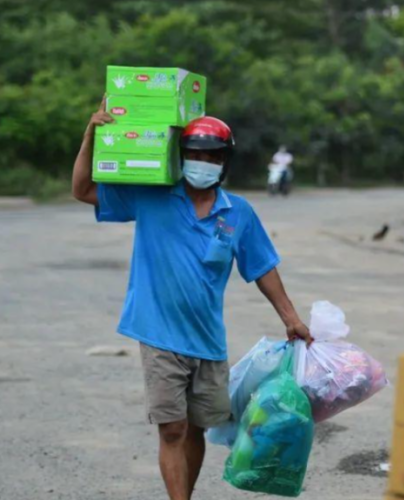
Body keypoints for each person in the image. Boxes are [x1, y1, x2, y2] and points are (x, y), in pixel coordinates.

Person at [72, 97, 313, 500]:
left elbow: (263, 267)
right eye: (194, 154)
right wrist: (90, 135)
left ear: (224, 162)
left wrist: (291, 317)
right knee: (173, 428)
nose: (202, 162)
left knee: (197, 427)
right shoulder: (151, 196)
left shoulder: (238, 212)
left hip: (207, 339)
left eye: (211, 156)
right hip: (158, 332)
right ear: (180, 156)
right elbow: (82, 190)